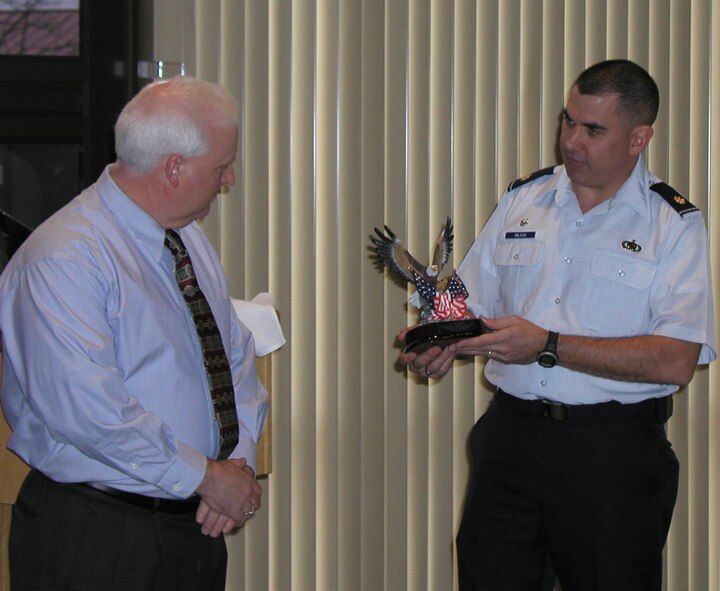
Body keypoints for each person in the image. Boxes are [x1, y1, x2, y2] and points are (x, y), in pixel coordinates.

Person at [400, 59, 716, 590]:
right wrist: (440, 341)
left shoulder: (673, 224)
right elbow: (467, 303)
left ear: (639, 137)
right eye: (568, 121)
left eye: (593, 130)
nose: (571, 141)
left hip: (611, 454)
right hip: (510, 442)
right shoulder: (524, 200)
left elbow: (676, 359)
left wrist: (547, 345)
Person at [0, 76, 269, 591]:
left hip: (190, 528)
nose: (229, 178)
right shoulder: (65, 258)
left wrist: (238, 460)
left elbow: (233, 355)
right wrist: (208, 478)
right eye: (221, 166)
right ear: (174, 167)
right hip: (95, 534)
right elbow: (92, 413)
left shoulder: (186, 236)